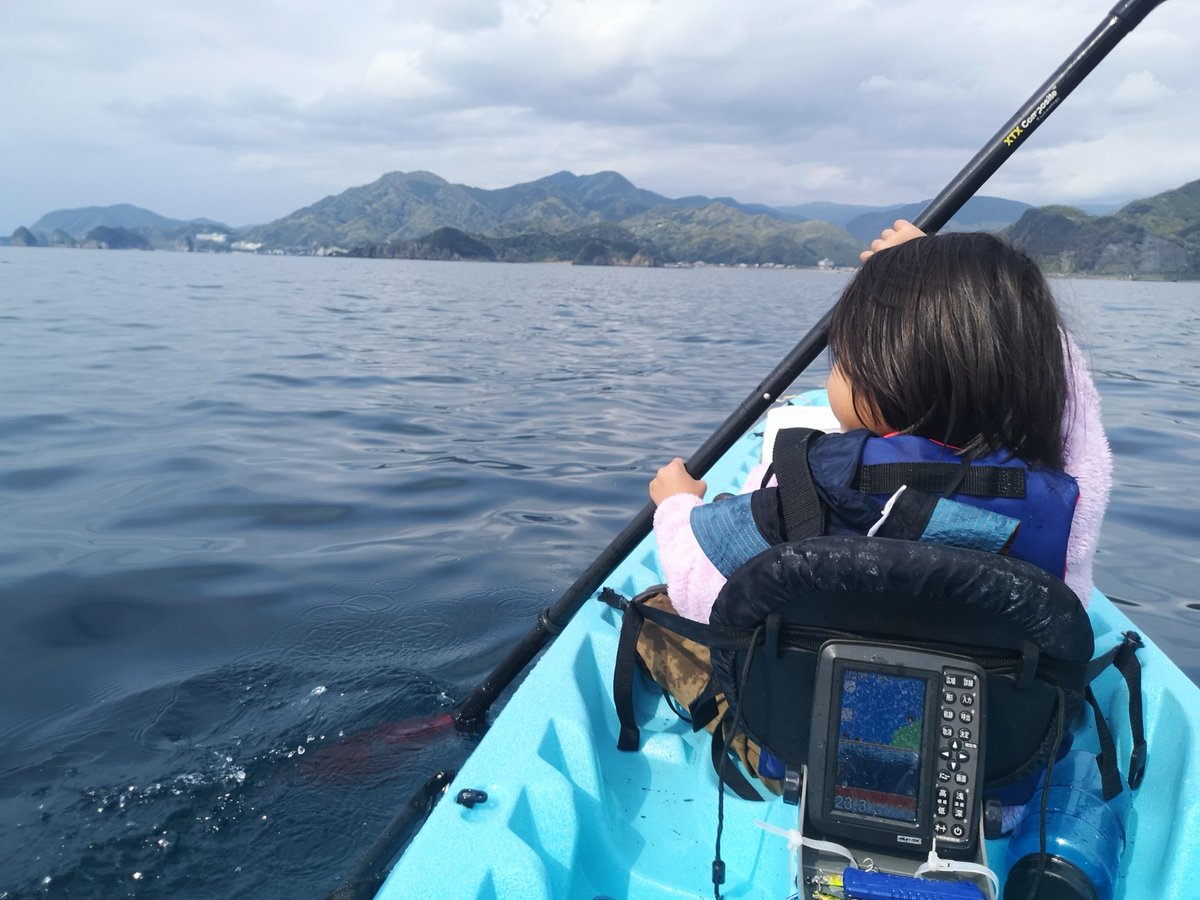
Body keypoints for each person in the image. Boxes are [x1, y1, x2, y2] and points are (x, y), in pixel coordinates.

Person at [649, 221, 1112, 623]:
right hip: (999, 717)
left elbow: (697, 589)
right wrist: (959, 290)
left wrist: (675, 508)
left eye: (843, 358)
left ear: (882, 376)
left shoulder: (799, 483)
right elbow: (1075, 413)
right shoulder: (1060, 506)